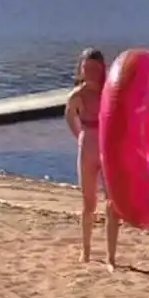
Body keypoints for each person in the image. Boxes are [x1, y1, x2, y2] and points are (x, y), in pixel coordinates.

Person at [64, 48, 119, 270]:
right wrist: (79, 135)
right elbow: (69, 116)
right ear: (80, 70)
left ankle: (110, 257)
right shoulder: (77, 95)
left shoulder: (111, 91)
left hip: (109, 149)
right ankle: (85, 251)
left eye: (94, 69)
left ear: (102, 68)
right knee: (88, 203)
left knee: (112, 204)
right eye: (86, 69)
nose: (90, 73)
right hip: (87, 148)